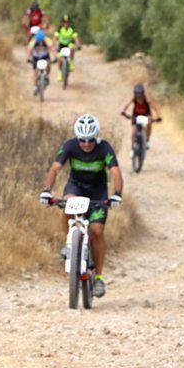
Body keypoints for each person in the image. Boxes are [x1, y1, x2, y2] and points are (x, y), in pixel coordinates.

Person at [39, 115, 123, 298]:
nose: (86, 144)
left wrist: (117, 194)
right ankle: (70, 242)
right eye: (82, 140)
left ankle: (99, 277)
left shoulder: (105, 148)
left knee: (97, 232)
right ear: (77, 138)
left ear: (96, 137)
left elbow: (115, 172)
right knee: (68, 204)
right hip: (75, 187)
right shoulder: (70, 146)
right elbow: (55, 168)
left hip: (98, 192)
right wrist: (46, 190)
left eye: (90, 140)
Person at [120, 84, 161, 148]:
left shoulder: (146, 99)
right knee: (133, 131)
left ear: (143, 94)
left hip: (146, 114)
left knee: (149, 124)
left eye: (140, 96)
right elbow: (127, 105)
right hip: (136, 114)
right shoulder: (134, 98)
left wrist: (158, 116)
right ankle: (133, 147)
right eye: (137, 96)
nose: (139, 98)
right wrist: (123, 111)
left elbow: (154, 107)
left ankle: (147, 140)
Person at [26, 29, 56, 95]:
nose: (40, 43)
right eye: (39, 41)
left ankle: (47, 75)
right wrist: (28, 58)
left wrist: (55, 57)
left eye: (41, 40)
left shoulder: (47, 40)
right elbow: (29, 49)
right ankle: (35, 87)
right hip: (36, 57)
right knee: (35, 72)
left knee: (49, 64)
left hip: (45, 56)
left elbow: (52, 49)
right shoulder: (33, 40)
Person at [53, 15, 82, 80]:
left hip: (69, 44)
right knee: (59, 58)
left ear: (69, 23)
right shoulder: (59, 28)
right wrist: (53, 44)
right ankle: (60, 73)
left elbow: (76, 38)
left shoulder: (72, 28)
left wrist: (78, 45)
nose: (66, 24)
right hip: (61, 45)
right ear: (62, 23)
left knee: (72, 48)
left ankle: (71, 62)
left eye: (67, 22)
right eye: (64, 22)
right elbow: (55, 38)